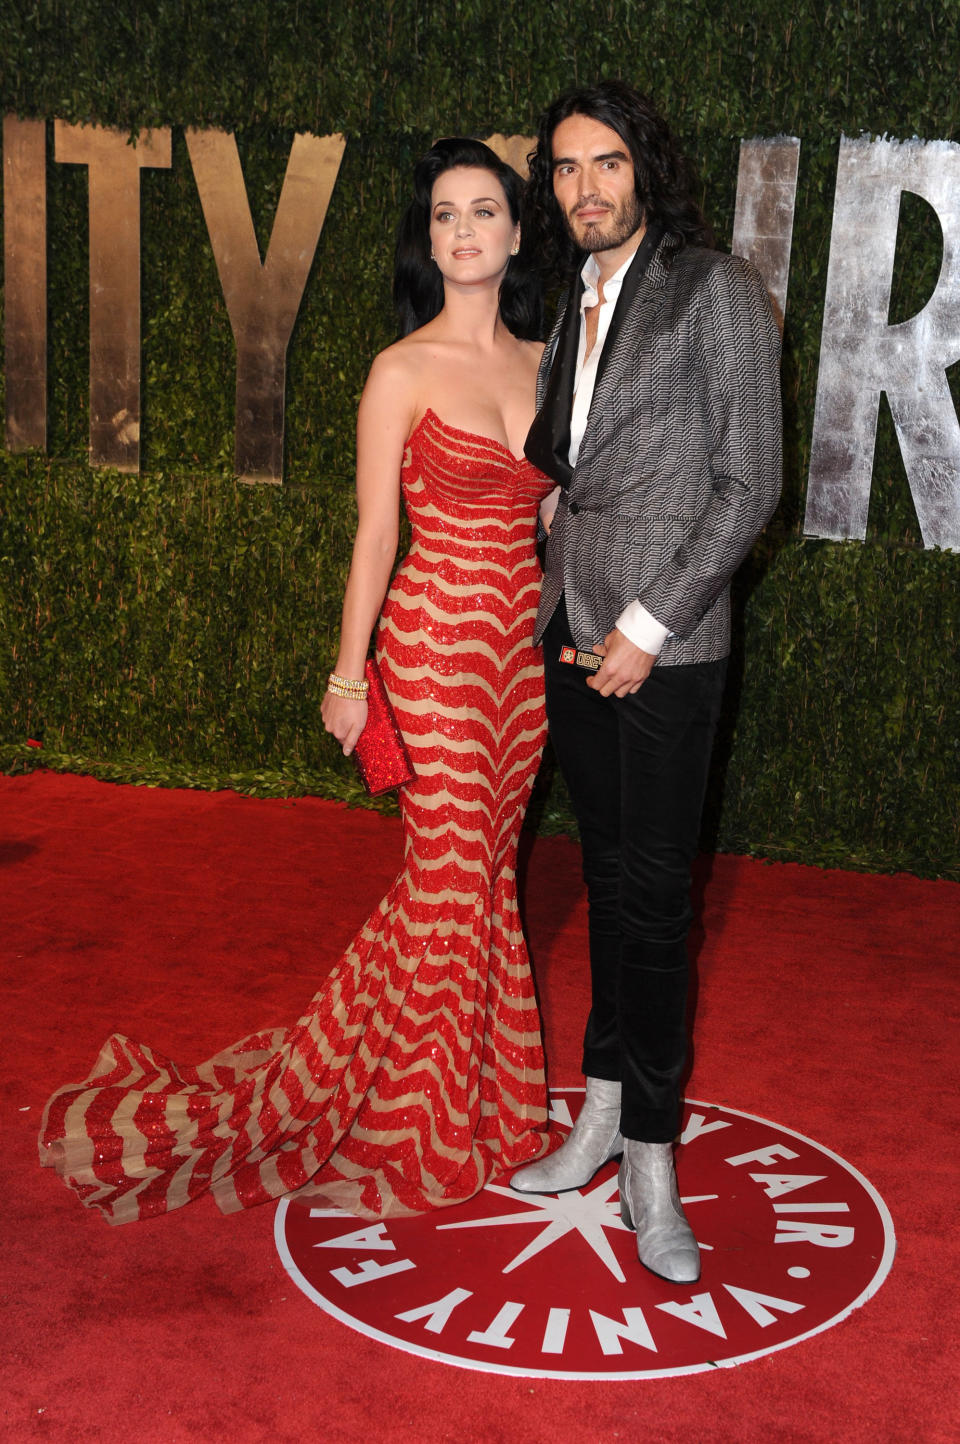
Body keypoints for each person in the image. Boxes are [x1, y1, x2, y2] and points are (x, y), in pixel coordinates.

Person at [39, 138, 556, 1224]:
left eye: (482, 213)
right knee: (451, 881)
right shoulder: (399, 369)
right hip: (430, 654)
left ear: (516, 232)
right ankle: (413, 1117)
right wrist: (347, 673)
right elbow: (375, 534)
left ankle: (484, 1100)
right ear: (433, 242)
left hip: (517, 667)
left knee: (477, 888)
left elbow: (555, 526)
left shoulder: (551, 365)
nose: (462, 232)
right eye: (444, 218)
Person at [509, 82, 783, 1284]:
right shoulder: (569, 298)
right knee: (612, 883)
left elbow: (749, 483)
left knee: (658, 904)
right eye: (565, 170)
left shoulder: (712, 287)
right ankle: (602, 1114)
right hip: (571, 628)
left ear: (644, 168)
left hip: (663, 646)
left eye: (605, 163)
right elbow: (588, 458)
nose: (586, 189)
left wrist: (649, 621)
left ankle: (655, 1160)